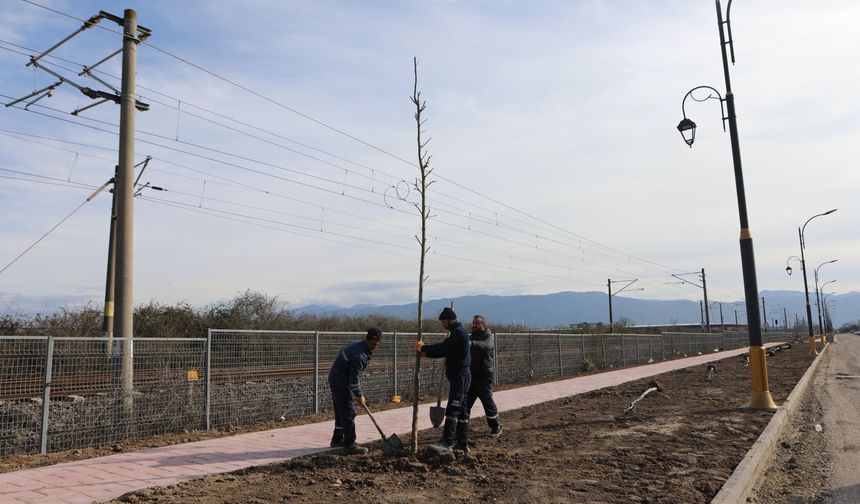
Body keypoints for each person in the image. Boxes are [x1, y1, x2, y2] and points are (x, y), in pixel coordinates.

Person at [415, 307, 471, 454]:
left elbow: (443, 347)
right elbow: (445, 351)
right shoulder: (457, 333)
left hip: (460, 376)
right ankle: (462, 441)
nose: (442, 324)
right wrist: (426, 354)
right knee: (462, 409)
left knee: (453, 408)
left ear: (448, 320)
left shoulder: (459, 333)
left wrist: (424, 346)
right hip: (460, 375)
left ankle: (447, 441)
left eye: (442, 321)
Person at [328, 327, 382, 455]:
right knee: (349, 412)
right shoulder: (359, 355)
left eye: (377, 344)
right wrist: (359, 395)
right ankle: (349, 444)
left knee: (341, 411)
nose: (375, 346)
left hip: (337, 379)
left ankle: (337, 439)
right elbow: (354, 381)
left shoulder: (357, 345)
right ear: (367, 340)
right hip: (339, 382)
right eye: (373, 344)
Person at [467, 315, 502, 438]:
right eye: (473, 323)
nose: (474, 325)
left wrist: (471, 343)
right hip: (472, 375)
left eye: (477, 323)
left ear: (484, 325)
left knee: (487, 401)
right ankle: (462, 430)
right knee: (465, 403)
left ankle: (496, 427)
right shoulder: (470, 337)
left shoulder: (488, 336)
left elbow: (485, 345)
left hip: (484, 375)